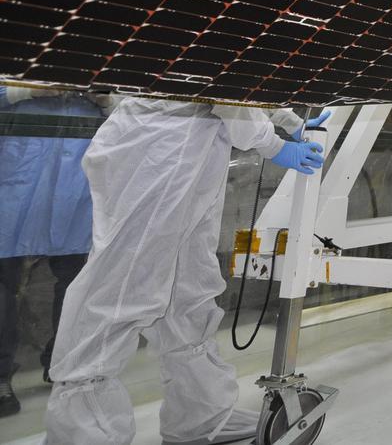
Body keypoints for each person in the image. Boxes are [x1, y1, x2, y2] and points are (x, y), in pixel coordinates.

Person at [44, 98, 328, 445]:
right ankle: (83, 434)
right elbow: (222, 83)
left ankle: (200, 418)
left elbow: (242, 85)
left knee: (189, 287)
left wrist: (288, 120)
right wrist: (274, 144)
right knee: (122, 287)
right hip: (160, 149)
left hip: (192, 143)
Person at [0, 87, 101, 417]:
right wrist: (24, 89)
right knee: (3, 283)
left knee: (75, 279)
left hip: (76, 176)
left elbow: (135, 106)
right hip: (16, 170)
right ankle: (0, 376)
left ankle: (64, 364)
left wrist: (106, 98)